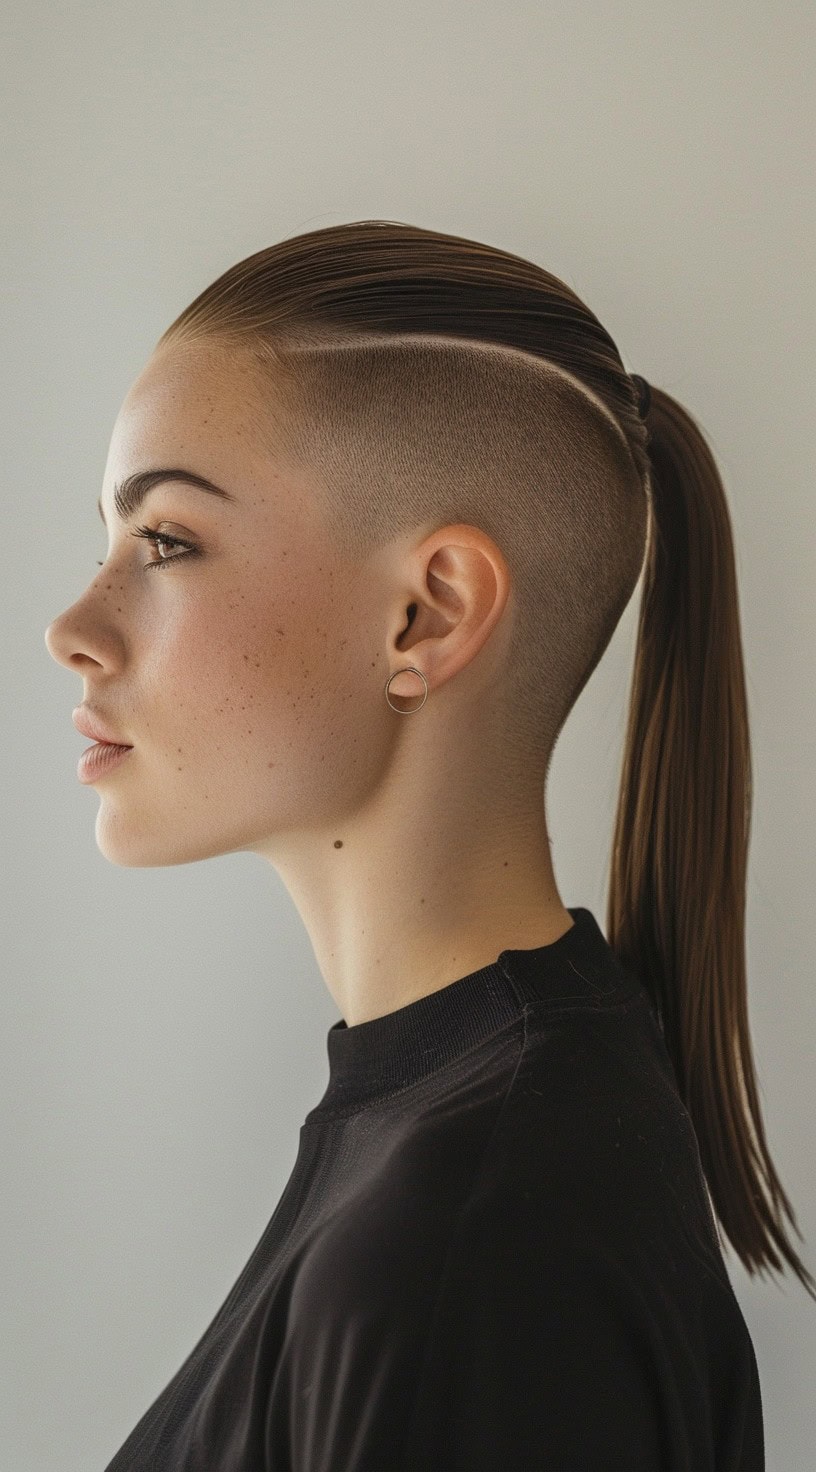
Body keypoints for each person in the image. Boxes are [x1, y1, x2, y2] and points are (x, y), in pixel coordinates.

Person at [45, 219, 810, 1470]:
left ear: (427, 613)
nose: (73, 626)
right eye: (109, 541)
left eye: (166, 541)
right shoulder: (467, 1142)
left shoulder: (476, 1233)